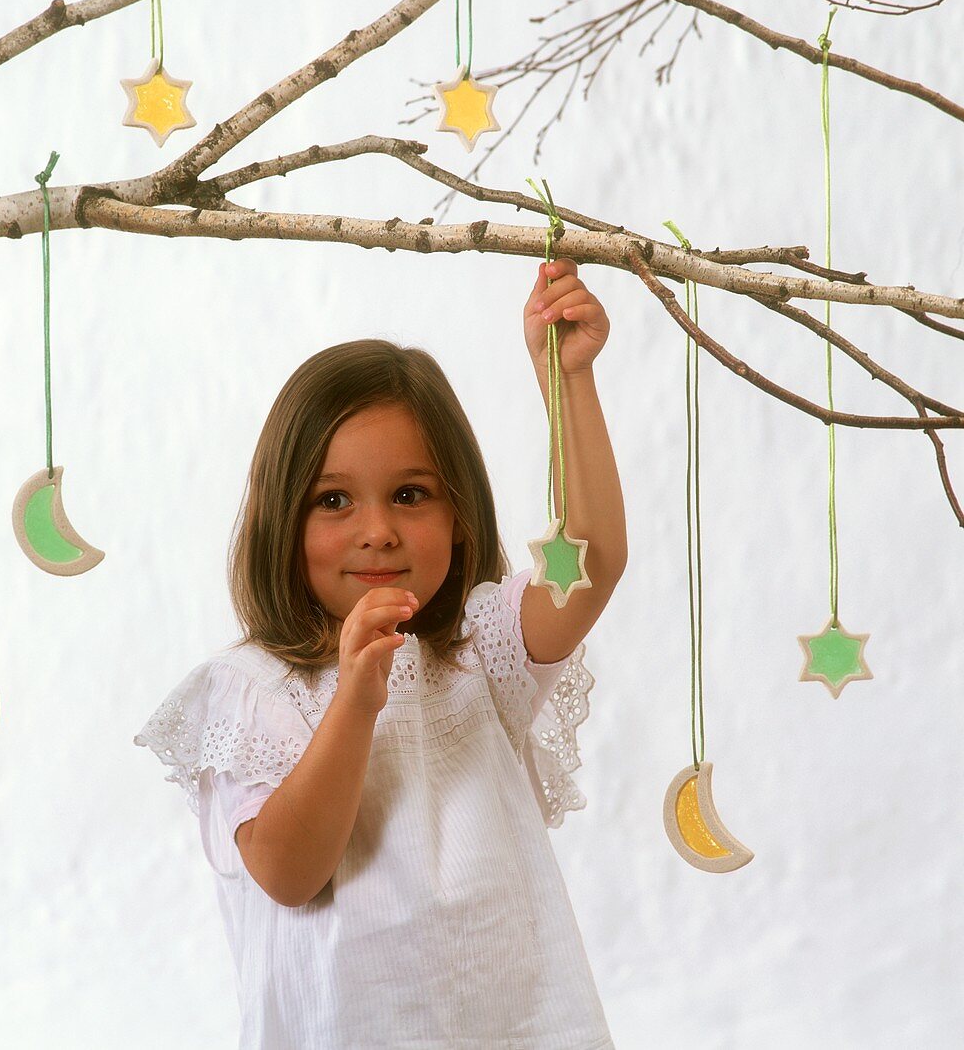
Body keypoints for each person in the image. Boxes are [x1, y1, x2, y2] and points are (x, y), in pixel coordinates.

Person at [134, 258, 628, 1048]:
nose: (378, 530)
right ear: (280, 523)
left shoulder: (479, 656)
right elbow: (291, 874)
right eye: (333, 501)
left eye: (410, 494)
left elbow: (592, 559)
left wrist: (564, 379)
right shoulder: (250, 691)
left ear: (460, 515)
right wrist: (356, 701)